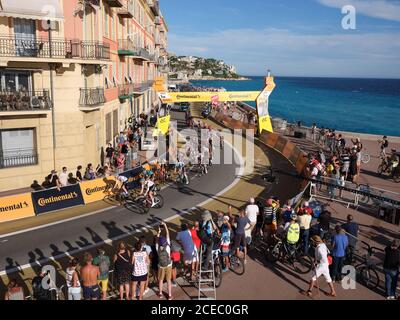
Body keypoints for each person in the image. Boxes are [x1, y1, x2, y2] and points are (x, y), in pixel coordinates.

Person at [156, 221, 173, 300]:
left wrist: (159, 231)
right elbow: (167, 233)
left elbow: (156, 239)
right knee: (169, 280)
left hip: (160, 265)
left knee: (161, 280)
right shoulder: (168, 246)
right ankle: (169, 295)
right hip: (168, 264)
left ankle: (160, 293)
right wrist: (165, 225)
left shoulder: (157, 247)